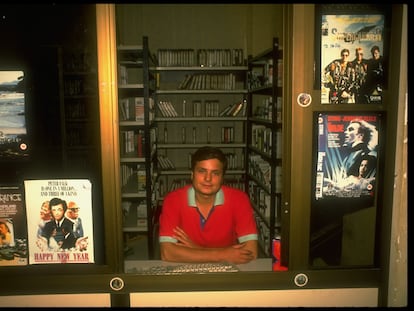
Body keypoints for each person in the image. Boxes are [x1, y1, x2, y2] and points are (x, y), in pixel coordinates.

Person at [159, 146, 258, 264]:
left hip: (227, 270)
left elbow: (251, 252)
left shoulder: (239, 199)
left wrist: (196, 250)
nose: (208, 178)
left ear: (222, 178)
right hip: (187, 268)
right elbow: (167, 253)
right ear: (192, 174)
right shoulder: (173, 200)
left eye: (215, 173)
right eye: (202, 171)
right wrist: (223, 255)